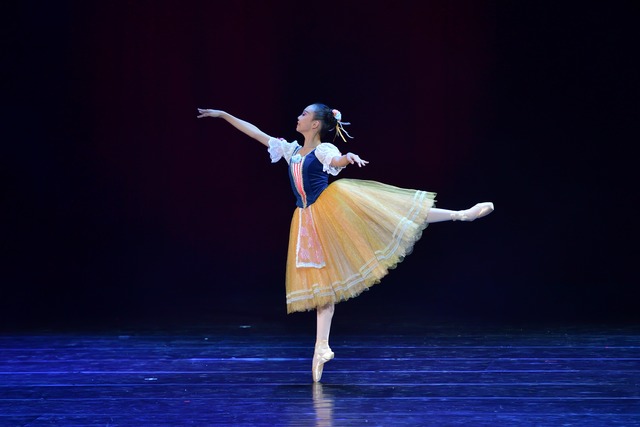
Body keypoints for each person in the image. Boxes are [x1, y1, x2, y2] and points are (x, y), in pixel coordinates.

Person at [197, 103, 493, 382]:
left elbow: (335, 160)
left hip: (331, 210)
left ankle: (460, 214)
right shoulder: (292, 151)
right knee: (323, 285)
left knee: (388, 213)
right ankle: (321, 347)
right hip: (306, 221)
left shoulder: (323, 150)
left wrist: (346, 158)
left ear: (315, 124)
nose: (298, 117)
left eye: (304, 114)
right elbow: (256, 133)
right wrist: (224, 115)